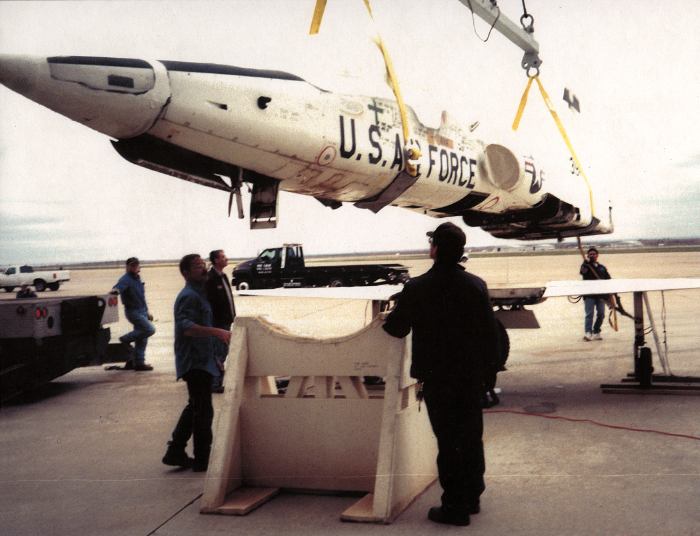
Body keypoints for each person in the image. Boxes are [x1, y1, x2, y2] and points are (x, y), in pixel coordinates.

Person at [383, 221, 499, 527]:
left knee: (449, 442)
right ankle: (472, 497)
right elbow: (491, 334)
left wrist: (396, 308)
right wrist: (489, 376)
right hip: (471, 377)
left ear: (434, 249)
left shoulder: (417, 287)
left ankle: (454, 508)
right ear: (460, 252)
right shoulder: (476, 285)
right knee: (471, 437)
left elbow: (396, 329)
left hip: (438, 378)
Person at [162, 254, 231, 472]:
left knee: (196, 406)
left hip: (204, 360)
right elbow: (188, 328)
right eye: (197, 267)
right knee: (204, 410)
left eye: (203, 265)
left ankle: (175, 451)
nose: (203, 269)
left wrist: (216, 358)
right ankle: (203, 459)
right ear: (185, 273)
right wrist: (218, 332)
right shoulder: (188, 296)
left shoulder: (200, 295)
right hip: (193, 362)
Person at [111, 257, 155, 371]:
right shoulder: (125, 279)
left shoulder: (138, 279)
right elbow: (117, 288)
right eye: (132, 265)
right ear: (127, 267)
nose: (134, 267)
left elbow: (142, 297)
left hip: (142, 310)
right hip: (133, 311)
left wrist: (147, 312)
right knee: (149, 330)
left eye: (136, 265)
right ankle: (125, 339)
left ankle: (139, 363)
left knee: (142, 338)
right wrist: (115, 292)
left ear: (139, 267)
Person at [205, 249, 236, 393]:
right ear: (216, 260)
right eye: (223, 257)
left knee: (222, 351)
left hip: (226, 320)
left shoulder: (223, 276)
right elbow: (209, 303)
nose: (226, 259)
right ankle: (214, 383)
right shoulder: (210, 279)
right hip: (218, 323)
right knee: (219, 352)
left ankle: (216, 381)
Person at [579, 247, 611, 341]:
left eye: (594, 254)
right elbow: (582, 272)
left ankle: (596, 331)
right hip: (589, 295)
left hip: (601, 295)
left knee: (601, 314)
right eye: (590, 254)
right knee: (589, 314)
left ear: (597, 255)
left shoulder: (602, 268)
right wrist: (585, 264)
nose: (592, 255)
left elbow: (608, 279)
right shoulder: (586, 266)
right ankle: (588, 332)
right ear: (588, 255)